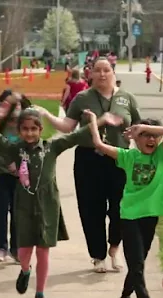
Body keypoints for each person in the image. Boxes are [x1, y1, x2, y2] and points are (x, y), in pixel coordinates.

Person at [0, 97, 121, 298]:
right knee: (24, 251)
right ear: (20, 130)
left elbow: (77, 135)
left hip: (47, 206)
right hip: (23, 206)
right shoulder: (16, 149)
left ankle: (40, 293)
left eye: (34, 129)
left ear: (40, 129)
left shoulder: (52, 147)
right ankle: (24, 270)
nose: (29, 133)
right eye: (25, 129)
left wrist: (100, 121)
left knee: (43, 250)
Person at [35, 57, 142, 274]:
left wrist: (140, 142)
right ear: (90, 73)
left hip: (119, 158)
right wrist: (47, 115)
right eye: (97, 70)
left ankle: (114, 248)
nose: (102, 74)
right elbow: (68, 126)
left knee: (121, 208)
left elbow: (139, 126)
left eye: (106, 70)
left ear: (113, 72)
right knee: (91, 208)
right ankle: (98, 255)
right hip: (88, 159)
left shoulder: (127, 98)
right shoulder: (82, 98)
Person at [89, 114, 163, 298]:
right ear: (136, 139)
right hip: (129, 216)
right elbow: (98, 143)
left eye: (154, 136)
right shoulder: (128, 157)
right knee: (136, 262)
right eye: (145, 136)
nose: (151, 140)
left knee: (139, 262)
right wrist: (92, 120)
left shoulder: (162, 156)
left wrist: (141, 127)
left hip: (150, 215)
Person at [0, 90, 32, 264]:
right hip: (2, 173)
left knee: (18, 213)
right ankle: (1, 248)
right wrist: (9, 163)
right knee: (0, 210)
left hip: (21, 176)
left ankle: (16, 250)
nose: (16, 111)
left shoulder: (26, 127)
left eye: (19, 106)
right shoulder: (0, 125)